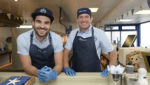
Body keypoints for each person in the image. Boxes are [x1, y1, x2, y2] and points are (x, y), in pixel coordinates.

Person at [63, 8, 117, 76]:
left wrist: (111, 67)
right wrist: (66, 66)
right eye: (81, 17)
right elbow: (65, 52)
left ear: (91, 19)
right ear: (77, 19)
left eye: (86, 17)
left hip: (95, 74)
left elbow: (113, 52)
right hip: (76, 74)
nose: (83, 20)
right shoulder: (73, 33)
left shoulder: (99, 33)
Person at [17, 8, 63, 82]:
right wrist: (38, 73)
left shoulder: (57, 38)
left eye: (46, 23)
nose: (42, 26)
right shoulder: (23, 38)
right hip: (33, 75)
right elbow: (26, 66)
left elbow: (59, 65)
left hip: (52, 77)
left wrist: (53, 73)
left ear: (50, 25)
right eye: (39, 22)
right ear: (33, 23)